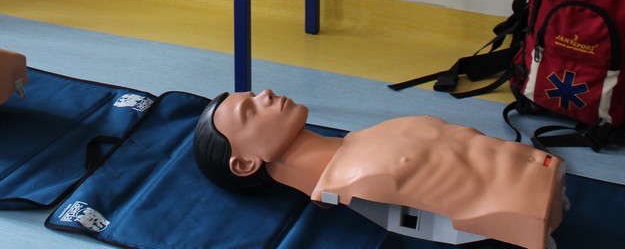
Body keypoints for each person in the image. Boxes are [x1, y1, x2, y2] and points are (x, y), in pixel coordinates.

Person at [194, 90, 565, 249]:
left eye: (254, 94)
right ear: (245, 163)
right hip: (527, 212)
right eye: (251, 111)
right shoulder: (359, 177)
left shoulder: (366, 141)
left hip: (538, 182)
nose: (266, 94)